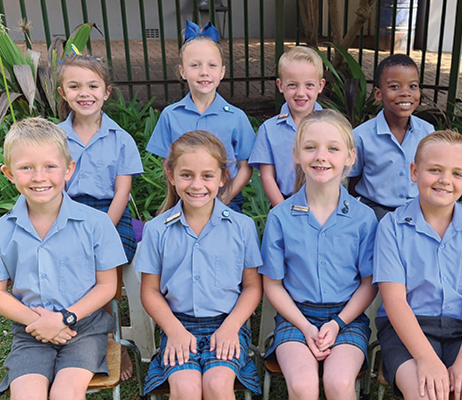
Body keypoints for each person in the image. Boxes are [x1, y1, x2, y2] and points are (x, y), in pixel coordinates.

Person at [0, 118, 125, 399]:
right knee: (26, 396)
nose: (39, 177)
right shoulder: (3, 230)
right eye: (26, 168)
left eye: (50, 166)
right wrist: (40, 322)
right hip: (31, 330)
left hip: (84, 328)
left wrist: (64, 318)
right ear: (9, 173)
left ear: (68, 169)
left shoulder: (96, 224)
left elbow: (107, 286)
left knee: (65, 394)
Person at [260, 109, 378, 400]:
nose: (321, 156)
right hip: (295, 317)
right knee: (303, 385)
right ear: (296, 154)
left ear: (350, 157)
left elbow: (368, 283)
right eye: (310, 147)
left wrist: (337, 324)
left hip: (347, 318)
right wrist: (305, 326)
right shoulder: (280, 217)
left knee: (339, 382)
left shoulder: (364, 218)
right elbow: (272, 284)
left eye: (333, 148)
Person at [135, 130, 262, 399]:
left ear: (223, 177)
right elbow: (150, 291)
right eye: (186, 175)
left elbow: (252, 287)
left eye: (207, 176)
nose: (196, 185)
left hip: (228, 324)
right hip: (178, 324)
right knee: (186, 388)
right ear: (171, 175)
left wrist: (231, 327)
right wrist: (174, 331)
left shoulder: (241, 227)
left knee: (218, 384)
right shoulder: (157, 230)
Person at [374, 130, 462, 400]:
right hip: (409, 330)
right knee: (426, 393)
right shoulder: (392, 227)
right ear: (414, 171)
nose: (445, 180)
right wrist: (426, 359)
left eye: (456, 173)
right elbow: (394, 300)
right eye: (435, 170)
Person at [56, 53, 143, 380]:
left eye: (93, 86)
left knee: (104, 265)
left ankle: (112, 339)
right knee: (66, 260)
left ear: (106, 92)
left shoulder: (121, 139)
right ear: (63, 93)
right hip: (66, 212)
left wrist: (101, 230)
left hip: (111, 216)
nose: (84, 93)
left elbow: (122, 192)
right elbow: (54, 188)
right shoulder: (55, 137)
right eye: (74, 86)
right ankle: (75, 336)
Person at [145, 21, 255, 212]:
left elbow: (246, 166)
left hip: (225, 198)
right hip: (185, 196)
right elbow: (168, 162)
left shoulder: (236, 117)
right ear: (182, 71)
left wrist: (225, 198)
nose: (204, 72)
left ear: (222, 72)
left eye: (212, 65)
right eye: (195, 65)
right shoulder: (170, 115)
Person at [349, 53, 434, 221]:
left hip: (417, 211)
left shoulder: (427, 132)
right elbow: (352, 182)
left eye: (413, 86)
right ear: (378, 94)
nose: (405, 93)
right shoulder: (361, 136)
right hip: (374, 212)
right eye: (395, 87)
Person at [249, 46, 325, 206]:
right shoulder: (269, 130)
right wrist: (283, 211)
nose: (301, 93)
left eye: (309, 85)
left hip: (325, 203)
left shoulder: (331, 127)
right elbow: (267, 176)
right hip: (283, 202)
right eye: (292, 85)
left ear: (320, 86)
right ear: (280, 85)